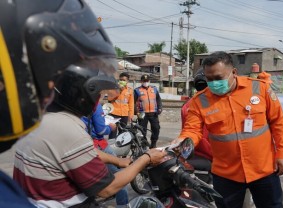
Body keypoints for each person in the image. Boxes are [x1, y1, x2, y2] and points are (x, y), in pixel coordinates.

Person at [0, 1, 166, 207]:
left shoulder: (42, 118)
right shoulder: (65, 128)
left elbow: (78, 152)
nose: (98, 101)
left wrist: (118, 161)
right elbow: (107, 188)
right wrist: (146, 159)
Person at [172, 51, 283, 208]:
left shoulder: (259, 89)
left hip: (264, 170)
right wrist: (182, 142)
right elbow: (192, 130)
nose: (214, 83)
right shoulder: (200, 101)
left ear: (234, 72)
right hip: (226, 175)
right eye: (209, 79)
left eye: (218, 78)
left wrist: (282, 153)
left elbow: (278, 123)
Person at [81, 103, 129, 206]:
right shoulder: (95, 105)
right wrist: (110, 127)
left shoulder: (72, 103)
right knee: (121, 177)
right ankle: (122, 205)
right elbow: (101, 130)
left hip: (82, 144)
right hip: (98, 145)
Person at [181, 69, 212, 182]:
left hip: (194, 151)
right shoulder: (219, 102)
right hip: (212, 155)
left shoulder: (188, 105)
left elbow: (186, 131)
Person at [134, 74, 163, 148]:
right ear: (141, 81)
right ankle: (144, 143)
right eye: (144, 81)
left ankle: (153, 143)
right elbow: (133, 102)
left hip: (154, 113)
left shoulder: (154, 89)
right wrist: (137, 112)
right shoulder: (137, 90)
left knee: (156, 128)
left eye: (147, 81)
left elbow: (158, 99)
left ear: (149, 81)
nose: (146, 82)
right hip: (142, 114)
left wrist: (159, 108)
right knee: (143, 130)